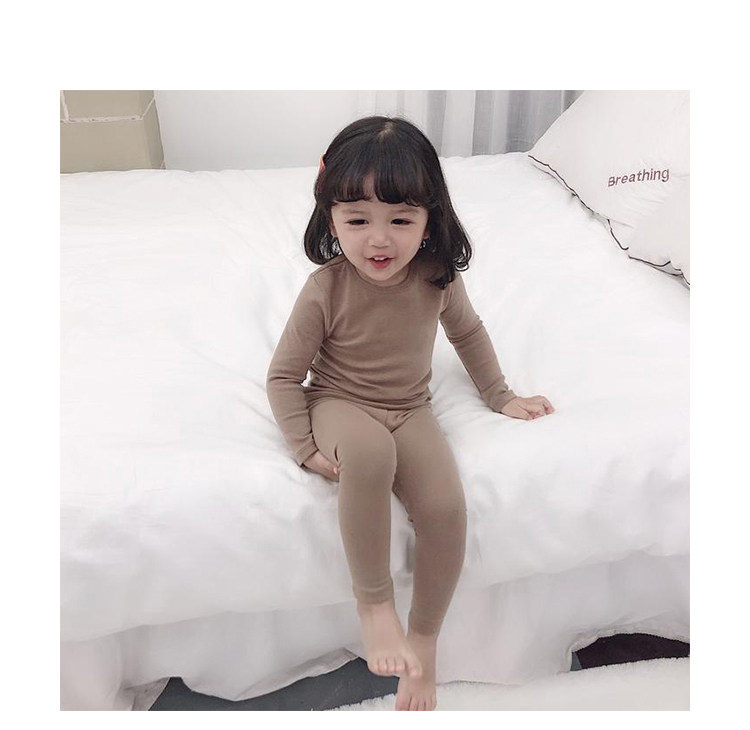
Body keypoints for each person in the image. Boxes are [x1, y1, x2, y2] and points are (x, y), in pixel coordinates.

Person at [266, 115, 555, 711]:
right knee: (370, 453)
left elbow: (467, 334)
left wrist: (501, 395)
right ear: (330, 218)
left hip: (410, 407)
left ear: (430, 218)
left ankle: (422, 644)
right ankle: (375, 607)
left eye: (400, 220)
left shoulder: (436, 277)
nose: (379, 241)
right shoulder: (325, 289)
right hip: (338, 401)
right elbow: (283, 377)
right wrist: (304, 446)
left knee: (447, 510)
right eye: (358, 220)